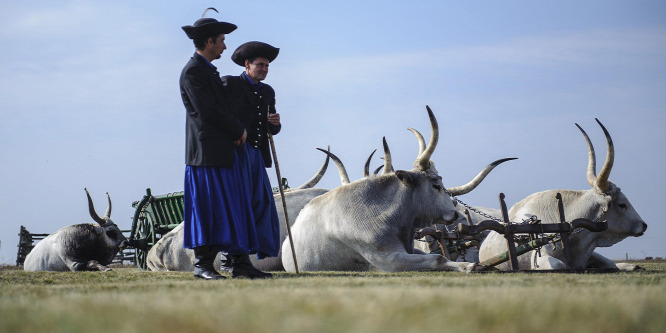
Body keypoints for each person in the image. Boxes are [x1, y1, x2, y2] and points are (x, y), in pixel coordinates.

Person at [180, 10, 271, 280]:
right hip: (205, 155)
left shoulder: (208, 71)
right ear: (209, 42)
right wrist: (238, 129)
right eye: (221, 40)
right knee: (207, 209)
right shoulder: (193, 72)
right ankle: (202, 266)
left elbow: (224, 109)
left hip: (222, 153)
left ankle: (240, 264)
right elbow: (207, 110)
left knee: (233, 208)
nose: (225, 45)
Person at [219, 42, 282, 274]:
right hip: (235, 154)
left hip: (257, 154)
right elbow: (218, 114)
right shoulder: (229, 84)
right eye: (260, 64)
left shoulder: (268, 91)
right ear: (247, 65)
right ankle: (229, 259)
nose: (264, 69)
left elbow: (271, 129)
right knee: (238, 204)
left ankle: (246, 258)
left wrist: (274, 124)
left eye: (267, 65)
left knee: (261, 204)